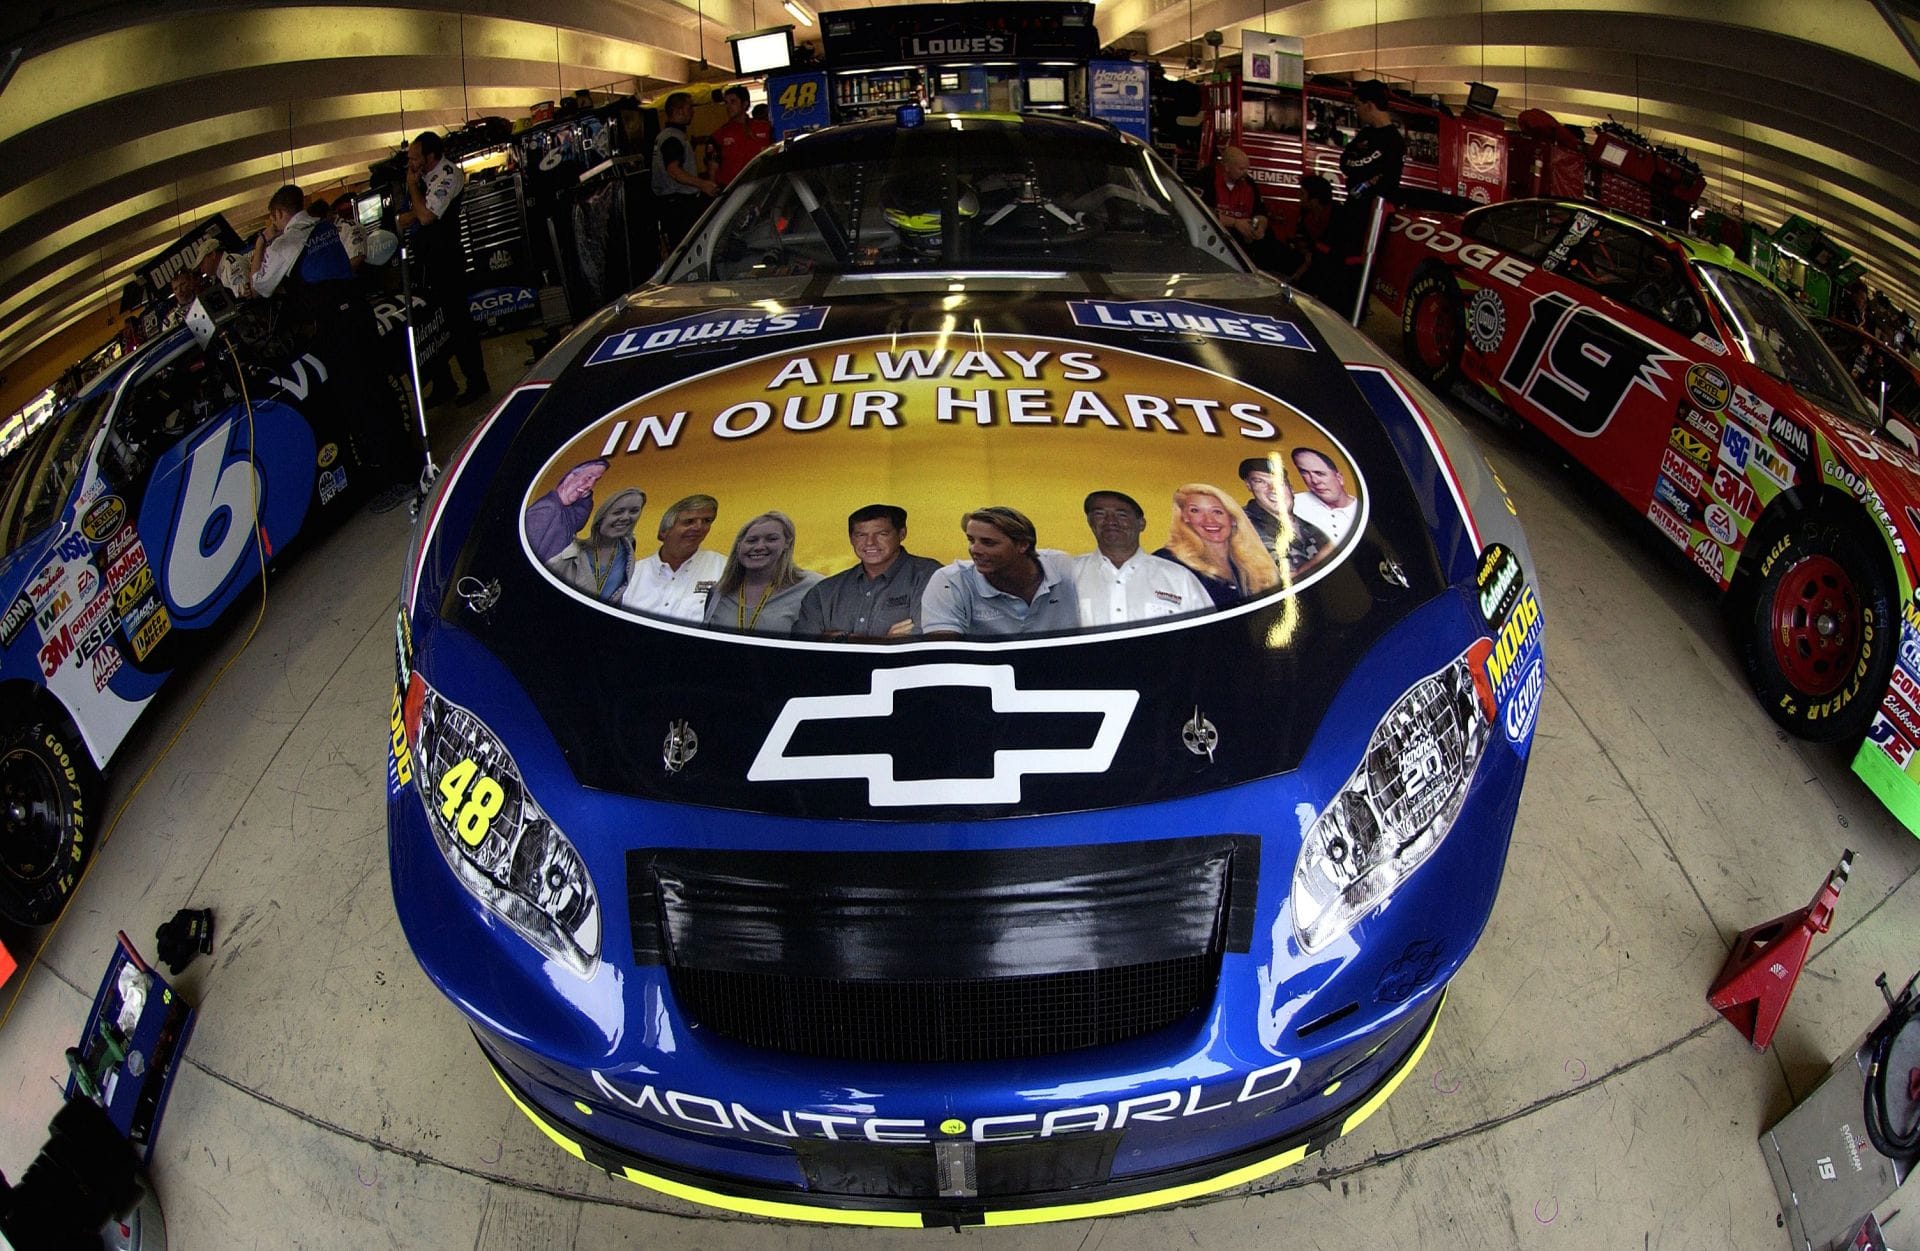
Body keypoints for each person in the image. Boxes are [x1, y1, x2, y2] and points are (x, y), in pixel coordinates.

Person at [396, 130, 490, 405]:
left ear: (431, 156)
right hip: (425, 262)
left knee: (458, 322)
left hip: (447, 260)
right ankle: (443, 382)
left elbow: (425, 216)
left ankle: (476, 379)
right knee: (430, 322)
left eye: (415, 158)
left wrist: (413, 191)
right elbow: (404, 218)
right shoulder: (421, 179)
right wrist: (415, 206)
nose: (411, 163)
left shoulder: (448, 174)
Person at [920, 507, 1080, 637]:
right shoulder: (950, 580)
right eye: (971, 540)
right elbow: (945, 654)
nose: (974, 549)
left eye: (988, 543)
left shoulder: (1064, 567)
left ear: (1022, 545)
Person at [792, 504, 940, 640]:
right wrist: (883, 642)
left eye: (882, 534)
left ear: (902, 534)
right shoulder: (824, 592)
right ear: (851, 539)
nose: (870, 542)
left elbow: (928, 639)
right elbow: (803, 646)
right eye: (861, 535)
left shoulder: (930, 576)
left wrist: (837, 639)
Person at [1071, 491, 1212, 625]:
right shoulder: (1068, 575)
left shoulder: (1179, 578)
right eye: (1100, 514)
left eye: (1121, 515)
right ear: (1090, 522)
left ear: (1141, 524)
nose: (1110, 521)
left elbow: (1208, 634)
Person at [1326, 80, 1404, 316]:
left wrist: (1360, 169)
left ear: (1370, 105)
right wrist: (1359, 168)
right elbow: (1346, 162)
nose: (1356, 110)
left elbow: (1359, 165)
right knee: (1338, 256)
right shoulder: (1366, 133)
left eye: (1358, 105)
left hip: (1373, 212)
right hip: (1353, 206)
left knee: (1359, 263)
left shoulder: (1393, 140)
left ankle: (1353, 312)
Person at [1153, 484, 1280, 608]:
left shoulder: (1255, 559)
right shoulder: (1167, 562)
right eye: (1195, 511)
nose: (1209, 520)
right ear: (1184, 517)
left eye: (1217, 512)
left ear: (1233, 518)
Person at [705, 511, 822, 634]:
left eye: (771, 539)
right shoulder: (718, 592)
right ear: (739, 545)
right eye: (751, 540)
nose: (759, 547)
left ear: (787, 543)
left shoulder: (815, 588)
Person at [621, 493, 724, 621]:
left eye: (706, 521)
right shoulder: (632, 574)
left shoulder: (723, 569)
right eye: (689, 521)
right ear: (664, 531)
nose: (699, 527)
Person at [250, 184, 356, 298]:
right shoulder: (326, 225)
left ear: (279, 213)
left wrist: (260, 242)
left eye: (273, 220)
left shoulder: (284, 244)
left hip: (321, 305)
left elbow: (257, 290)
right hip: (352, 296)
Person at [546, 488, 646, 602]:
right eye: (618, 512)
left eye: (634, 511)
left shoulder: (628, 550)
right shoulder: (568, 556)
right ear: (602, 516)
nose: (625, 518)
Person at [1239, 456, 1329, 575]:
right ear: (1249, 486)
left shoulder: (1311, 525)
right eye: (1260, 482)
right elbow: (1283, 579)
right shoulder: (1242, 525)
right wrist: (1330, 551)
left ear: (1291, 489)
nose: (1273, 489)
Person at [652, 92, 717, 254]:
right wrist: (702, 184)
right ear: (678, 110)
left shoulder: (668, 136)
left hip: (672, 205)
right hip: (678, 207)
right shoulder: (673, 138)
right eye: (690, 108)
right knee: (685, 250)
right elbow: (674, 170)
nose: (692, 112)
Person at [524, 460, 608, 563]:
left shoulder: (566, 510)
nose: (591, 484)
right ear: (570, 477)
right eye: (589, 477)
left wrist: (584, 493)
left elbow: (580, 519)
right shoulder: (547, 507)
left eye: (596, 480)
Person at [1208, 147, 1269, 258]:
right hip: (1213, 235)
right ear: (1227, 167)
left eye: (1247, 169)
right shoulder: (1208, 177)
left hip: (1242, 240)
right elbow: (1199, 210)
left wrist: (1258, 226)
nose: (1245, 173)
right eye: (1241, 169)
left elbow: (1260, 212)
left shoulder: (1249, 183)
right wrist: (1235, 223)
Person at [1290, 447, 1360, 543]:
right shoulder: (1292, 504)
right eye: (1304, 473)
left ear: (1339, 478)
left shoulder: (1363, 512)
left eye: (1320, 473)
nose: (1314, 481)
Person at [711, 85, 772, 190]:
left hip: (762, 186)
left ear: (745, 104)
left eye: (733, 102)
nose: (728, 106)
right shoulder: (719, 135)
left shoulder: (765, 127)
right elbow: (713, 168)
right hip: (733, 191)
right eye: (726, 103)